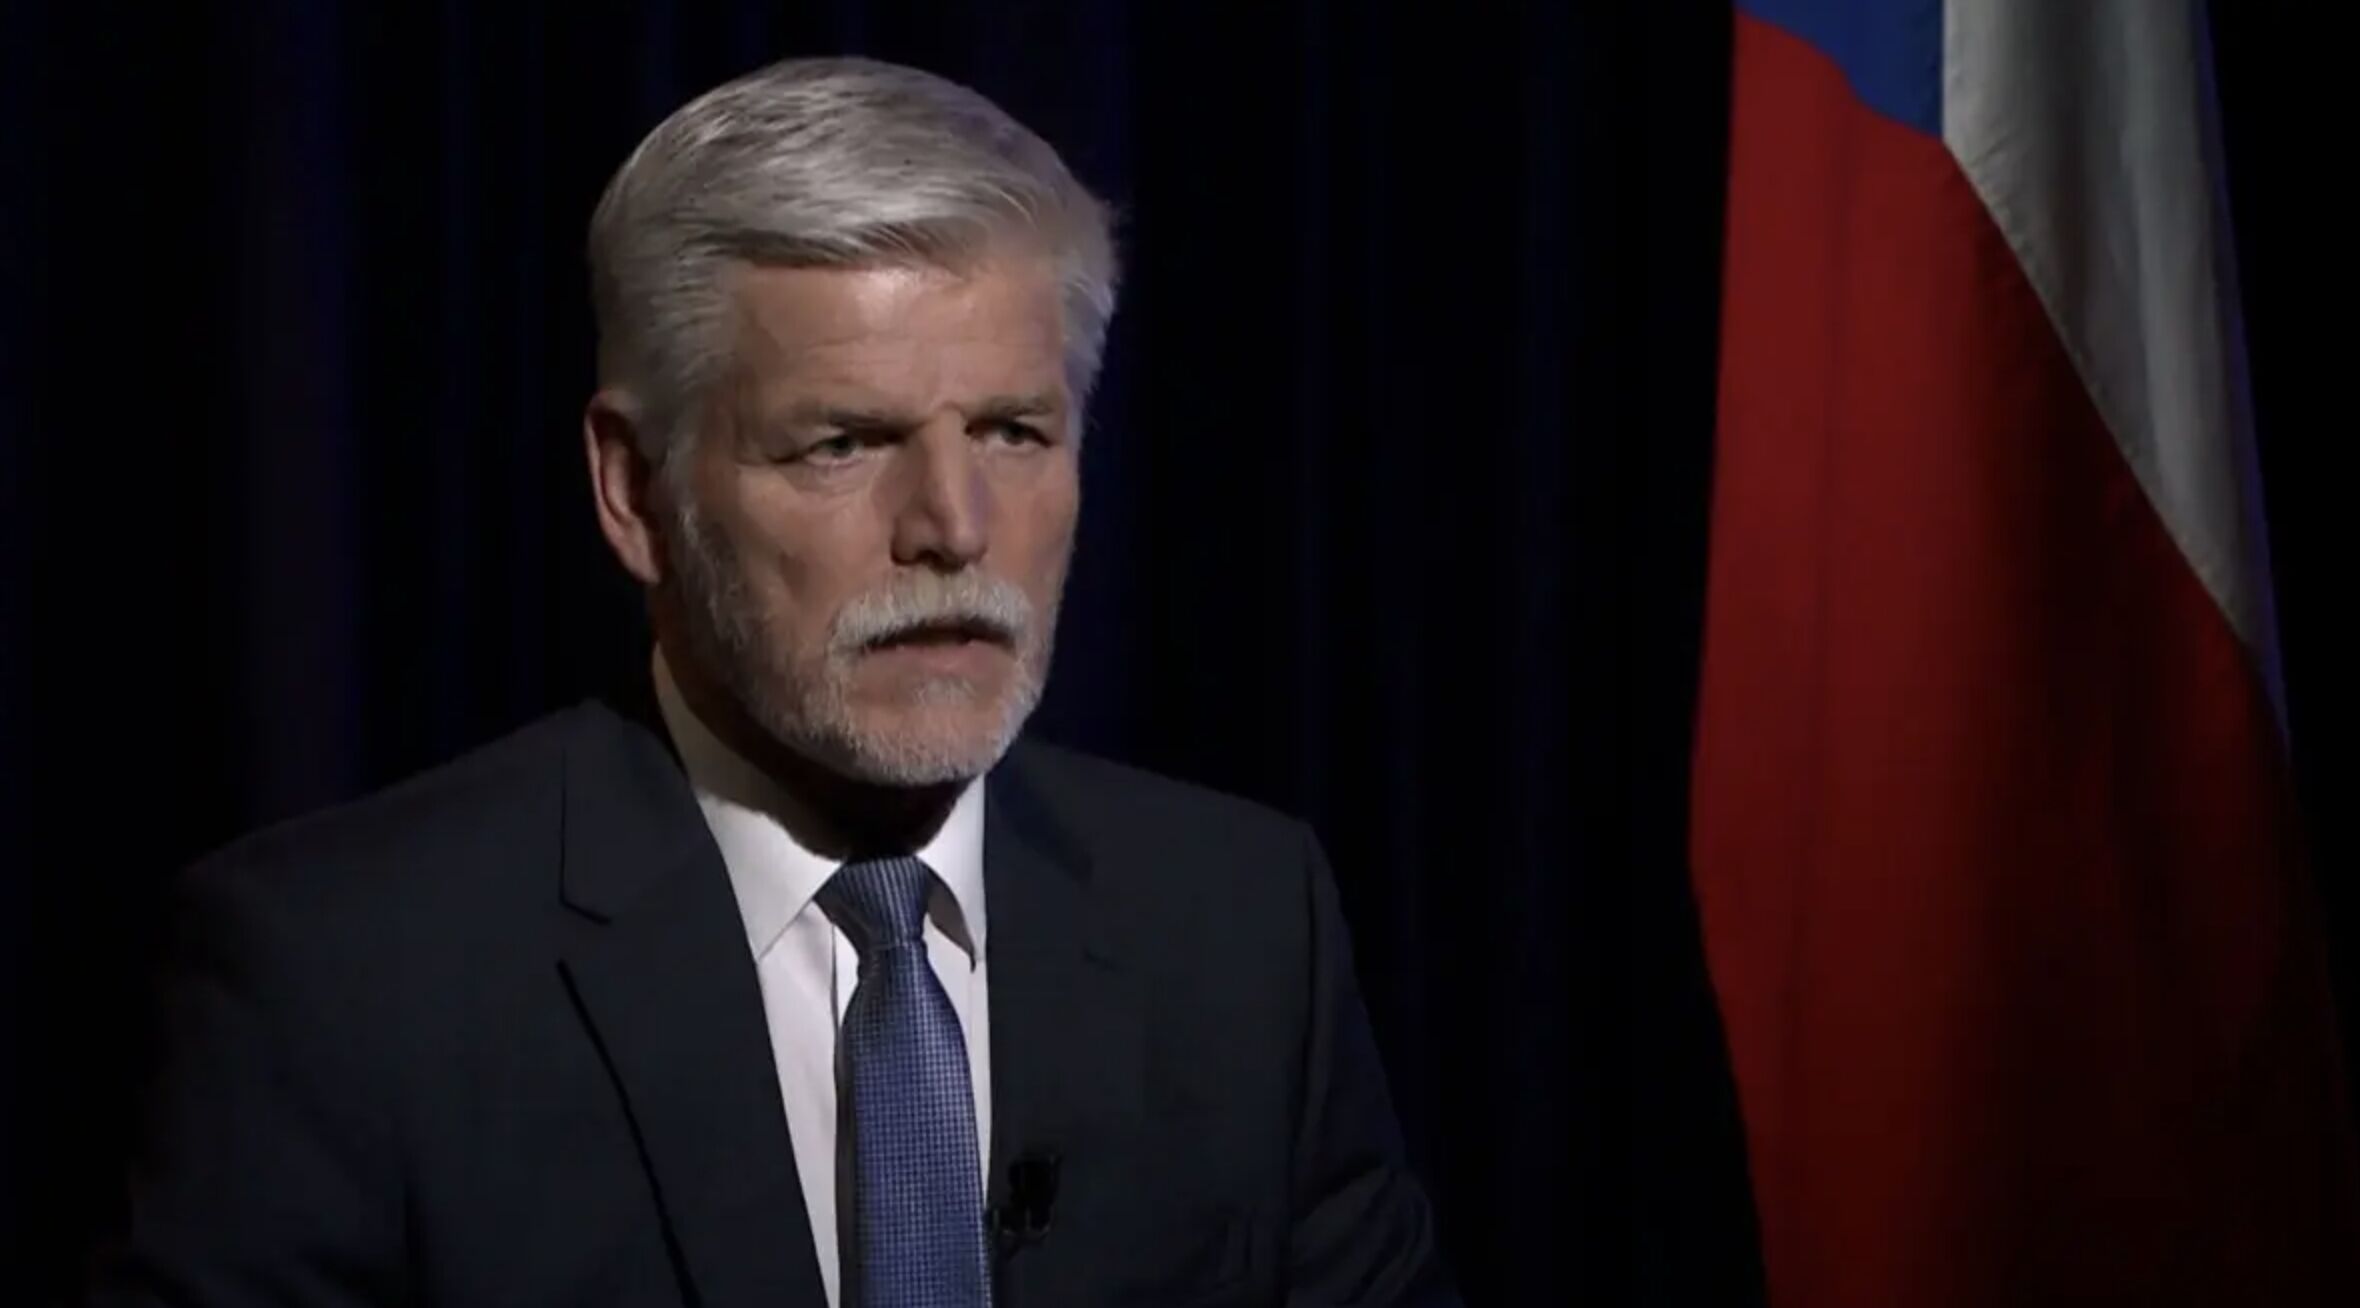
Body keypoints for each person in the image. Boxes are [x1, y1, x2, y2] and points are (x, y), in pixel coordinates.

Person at [83, 55, 1456, 1307]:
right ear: (635, 492)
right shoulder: (344, 978)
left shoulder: (1243, 930)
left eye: (1013, 431)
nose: (954, 526)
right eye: (842, 444)